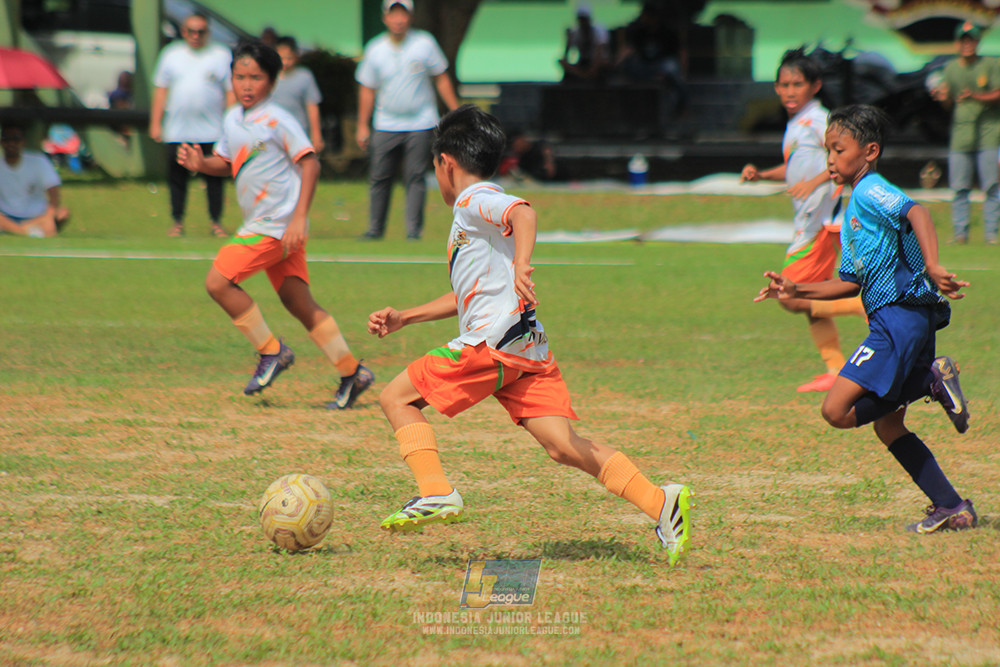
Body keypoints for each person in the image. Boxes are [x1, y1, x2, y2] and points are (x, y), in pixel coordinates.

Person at [367, 105, 693, 564]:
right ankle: (661, 502)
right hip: (524, 349)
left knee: (395, 399)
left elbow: (524, 212)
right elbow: (472, 293)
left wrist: (522, 262)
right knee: (563, 445)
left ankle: (436, 491)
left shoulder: (471, 200)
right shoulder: (479, 207)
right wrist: (407, 316)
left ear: (446, 163)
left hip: (492, 345)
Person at [756, 104, 978, 534]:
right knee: (888, 424)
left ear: (869, 151)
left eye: (839, 150)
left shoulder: (870, 190)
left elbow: (918, 212)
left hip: (895, 319)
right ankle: (950, 506)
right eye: (828, 152)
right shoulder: (855, 209)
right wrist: (795, 289)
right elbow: (848, 283)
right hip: (909, 319)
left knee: (836, 410)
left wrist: (932, 264)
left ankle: (932, 377)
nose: (831, 161)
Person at [176, 39, 374, 409]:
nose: (247, 85)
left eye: (256, 77)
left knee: (218, 282)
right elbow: (225, 161)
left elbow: (310, 162)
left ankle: (272, 351)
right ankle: (352, 373)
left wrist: (299, 217)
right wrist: (201, 164)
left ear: (272, 81)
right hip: (267, 224)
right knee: (299, 303)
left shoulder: (279, 119)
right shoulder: (234, 118)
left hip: (276, 225)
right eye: (240, 77)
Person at [741, 49, 865, 393]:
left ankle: (862, 305)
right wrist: (762, 174)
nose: (789, 91)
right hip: (811, 218)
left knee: (789, 295)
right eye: (783, 84)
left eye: (797, 84)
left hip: (822, 220)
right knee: (814, 300)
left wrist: (815, 182)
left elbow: (848, 154)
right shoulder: (798, 124)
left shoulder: (820, 120)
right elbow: (797, 167)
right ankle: (835, 369)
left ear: (815, 86)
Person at [355, 0, 460, 240]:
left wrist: (455, 112)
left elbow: (441, 78)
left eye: (403, 14)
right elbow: (367, 89)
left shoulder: (425, 43)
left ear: (410, 17)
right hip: (385, 123)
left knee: (415, 177)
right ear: (385, 17)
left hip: (420, 122)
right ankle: (375, 229)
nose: (399, 20)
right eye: (394, 14)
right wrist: (363, 124)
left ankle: (414, 231)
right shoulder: (375, 49)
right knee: (379, 177)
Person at [150, 12, 234, 239]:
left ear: (208, 32)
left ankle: (216, 223)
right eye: (191, 31)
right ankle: (177, 222)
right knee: (177, 179)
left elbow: (230, 93)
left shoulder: (220, 54)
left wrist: (233, 125)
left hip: (212, 131)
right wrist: (156, 123)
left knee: (214, 178)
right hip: (178, 130)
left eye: (201, 31)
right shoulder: (171, 54)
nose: (195, 36)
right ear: (183, 32)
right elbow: (160, 90)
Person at [930, 22, 1000, 244]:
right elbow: (949, 102)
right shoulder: (951, 68)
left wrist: (975, 96)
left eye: (971, 39)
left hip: (988, 133)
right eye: (963, 39)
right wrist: (943, 98)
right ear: (958, 42)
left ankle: (992, 233)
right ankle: (961, 233)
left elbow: (998, 92)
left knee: (991, 186)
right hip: (961, 136)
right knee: (959, 187)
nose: (967, 44)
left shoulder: (990, 64)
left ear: (978, 42)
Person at [0, 124, 70, 238]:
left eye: (16, 139)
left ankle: (15, 230)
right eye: (7, 139)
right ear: (1, 142)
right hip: (7, 216)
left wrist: (49, 215)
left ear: (23, 142)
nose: (11, 144)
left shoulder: (38, 161)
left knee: (62, 213)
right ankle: (26, 232)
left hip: (37, 216)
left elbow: (53, 190)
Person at [272, 36, 325, 153]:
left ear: (296, 57)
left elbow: (312, 106)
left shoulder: (305, 76)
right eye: (281, 58)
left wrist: (316, 135)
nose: (285, 62)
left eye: (289, 58)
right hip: (271, 133)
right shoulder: (267, 77)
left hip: (298, 132)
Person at [558, 4, 611, 84]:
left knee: (603, 63)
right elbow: (566, 56)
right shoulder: (575, 32)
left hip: (597, 62)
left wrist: (593, 68)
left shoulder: (599, 30)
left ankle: (588, 76)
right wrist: (568, 40)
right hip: (583, 62)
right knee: (561, 62)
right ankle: (584, 76)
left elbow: (599, 53)